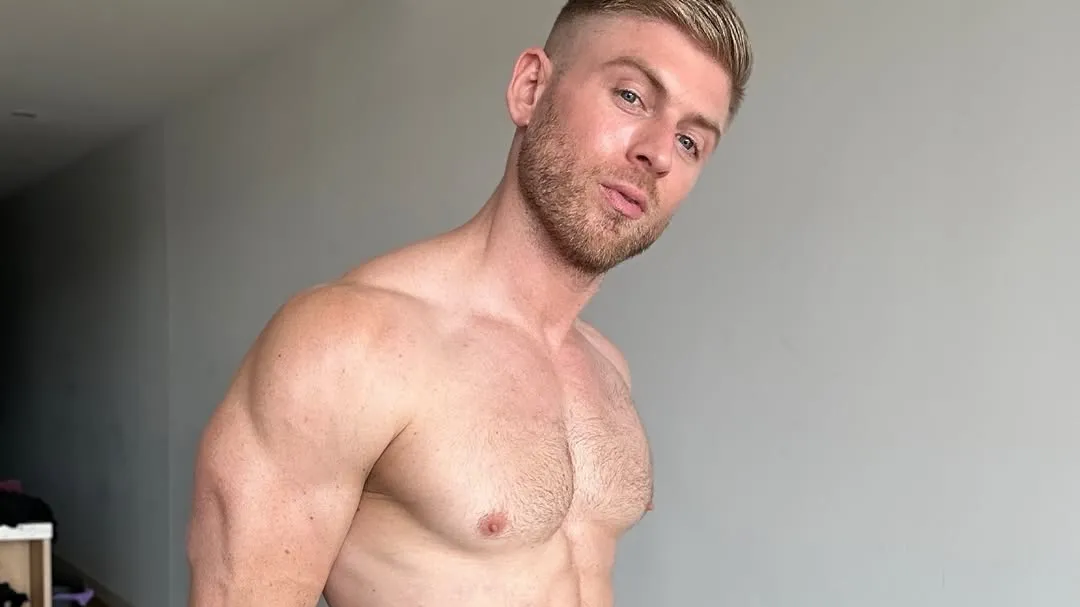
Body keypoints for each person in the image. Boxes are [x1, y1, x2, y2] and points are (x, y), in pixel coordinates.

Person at [185, 0, 753, 605]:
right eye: (631, 96)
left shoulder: (607, 367)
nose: (659, 154)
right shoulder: (344, 343)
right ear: (530, 89)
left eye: (690, 141)